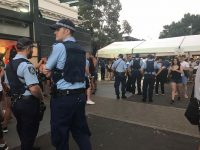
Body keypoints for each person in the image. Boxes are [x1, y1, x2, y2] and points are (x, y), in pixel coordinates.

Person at [43, 19, 92, 150]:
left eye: (57, 29)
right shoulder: (81, 50)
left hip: (63, 99)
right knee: (80, 131)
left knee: (61, 134)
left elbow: (46, 69)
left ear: (67, 30)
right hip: (80, 97)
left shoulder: (59, 47)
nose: (55, 32)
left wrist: (48, 70)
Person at [5, 38, 44, 150]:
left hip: (15, 102)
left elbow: (7, 85)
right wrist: (41, 98)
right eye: (32, 48)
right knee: (30, 130)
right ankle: (27, 147)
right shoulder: (27, 65)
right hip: (28, 103)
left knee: (21, 126)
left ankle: (27, 146)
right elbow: (34, 89)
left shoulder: (9, 65)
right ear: (28, 48)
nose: (32, 51)